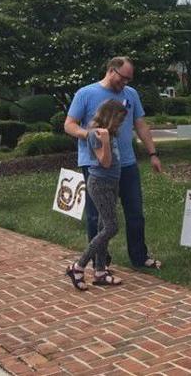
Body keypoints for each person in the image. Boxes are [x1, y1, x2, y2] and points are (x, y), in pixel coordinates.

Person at [64, 56, 163, 270]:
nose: (125, 83)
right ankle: (101, 262)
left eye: (129, 79)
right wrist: (90, 135)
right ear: (111, 70)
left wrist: (153, 153)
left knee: (135, 212)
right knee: (96, 216)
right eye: (123, 78)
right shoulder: (86, 93)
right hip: (96, 165)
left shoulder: (131, 94)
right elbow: (69, 125)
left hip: (126, 163)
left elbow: (141, 125)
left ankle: (139, 257)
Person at [66, 100, 126, 290]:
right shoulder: (96, 135)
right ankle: (78, 266)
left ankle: (100, 271)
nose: (120, 124)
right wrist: (106, 141)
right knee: (111, 227)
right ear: (110, 117)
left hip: (111, 184)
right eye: (119, 120)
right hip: (100, 184)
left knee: (103, 226)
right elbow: (105, 162)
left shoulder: (110, 133)